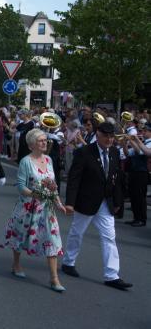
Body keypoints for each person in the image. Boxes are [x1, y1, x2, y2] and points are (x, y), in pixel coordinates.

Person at [62, 122, 132, 291]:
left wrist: (117, 202)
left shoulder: (114, 152)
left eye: (111, 136)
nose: (109, 139)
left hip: (105, 203)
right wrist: (70, 202)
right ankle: (68, 262)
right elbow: (74, 179)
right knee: (77, 232)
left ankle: (112, 275)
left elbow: (116, 179)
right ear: (98, 135)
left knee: (109, 237)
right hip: (86, 200)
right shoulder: (84, 152)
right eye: (106, 136)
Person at [0, 128, 67, 292]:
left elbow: (53, 184)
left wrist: (58, 202)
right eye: (41, 140)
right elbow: (21, 186)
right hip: (28, 206)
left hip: (46, 209)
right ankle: (16, 264)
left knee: (52, 239)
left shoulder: (49, 160)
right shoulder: (25, 162)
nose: (45, 142)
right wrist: (35, 194)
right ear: (31, 145)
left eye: (45, 140)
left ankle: (54, 278)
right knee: (20, 235)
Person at [121, 123, 151, 227]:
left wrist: (134, 140)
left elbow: (142, 152)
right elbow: (128, 154)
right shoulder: (142, 142)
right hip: (134, 171)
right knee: (133, 195)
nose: (141, 133)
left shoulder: (149, 143)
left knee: (140, 197)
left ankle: (141, 219)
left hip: (142, 172)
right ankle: (136, 217)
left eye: (145, 131)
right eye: (141, 131)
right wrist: (125, 143)